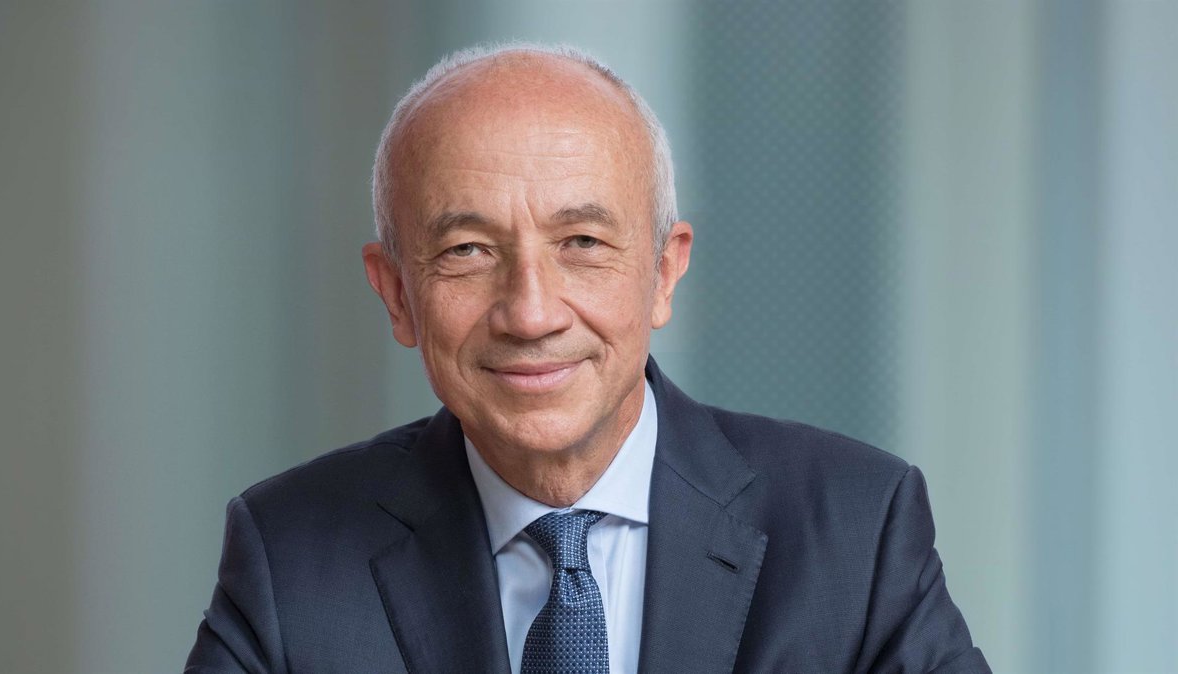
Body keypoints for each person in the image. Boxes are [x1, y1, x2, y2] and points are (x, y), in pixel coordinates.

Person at [186, 44, 990, 673]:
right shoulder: (289, 555)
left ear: (664, 272)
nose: (531, 313)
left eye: (581, 243)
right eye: (467, 251)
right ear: (397, 293)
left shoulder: (855, 528)